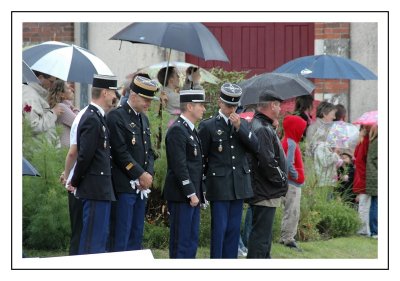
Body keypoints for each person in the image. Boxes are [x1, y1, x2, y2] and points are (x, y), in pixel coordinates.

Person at [198, 83, 258, 259]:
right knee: (220, 229)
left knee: (233, 229)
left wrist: (240, 128)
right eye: (228, 105)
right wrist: (202, 185)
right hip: (219, 185)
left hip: (238, 184)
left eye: (234, 106)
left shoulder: (242, 124)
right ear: (220, 103)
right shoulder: (208, 126)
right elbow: (201, 158)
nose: (231, 109)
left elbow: (255, 146)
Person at [106, 76, 158, 251]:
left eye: (150, 100)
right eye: (146, 99)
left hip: (141, 186)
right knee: (121, 233)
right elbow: (120, 153)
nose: (148, 104)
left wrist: (148, 174)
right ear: (134, 96)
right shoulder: (116, 117)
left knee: (136, 233)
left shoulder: (143, 119)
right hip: (124, 185)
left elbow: (149, 152)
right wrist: (139, 174)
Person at [68, 74, 118, 254]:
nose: (115, 96)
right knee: (92, 243)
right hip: (94, 188)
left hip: (101, 189)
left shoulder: (99, 117)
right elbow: (84, 156)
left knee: (99, 240)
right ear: (105, 92)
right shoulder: (91, 117)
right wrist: (74, 181)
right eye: (113, 92)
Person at [163, 89, 207, 258]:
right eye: (200, 106)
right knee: (181, 242)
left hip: (192, 195)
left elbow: (196, 165)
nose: (203, 109)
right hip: (182, 196)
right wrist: (191, 192)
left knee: (191, 240)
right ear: (189, 106)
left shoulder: (191, 130)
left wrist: (200, 191)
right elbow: (179, 166)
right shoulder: (178, 130)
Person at [246, 91, 288, 259]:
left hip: (265, 189)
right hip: (265, 190)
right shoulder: (262, 128)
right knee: (261, 238)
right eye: (279, 105)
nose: (280, 109)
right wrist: (282, 179)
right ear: (272, 105)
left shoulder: (263, 126)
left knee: (264, 237)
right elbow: (267, 161)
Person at [60, 105, 88, 255]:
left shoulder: (83, 117)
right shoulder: (85, 119)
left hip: (75, 177)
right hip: (76, 181)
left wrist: (66, 172)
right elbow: (73, 153)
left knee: (78, 228)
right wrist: (66, 174)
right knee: (79, 229)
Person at [279, 115, 307, 251]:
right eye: (301, 129)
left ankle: (285, 236)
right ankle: (288, 238)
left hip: (293, 183)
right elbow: (288, 163)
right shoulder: (290, 143)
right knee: (293, 211)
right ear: (295, 128)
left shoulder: (289, 141)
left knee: (290, 211)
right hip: (293, 184)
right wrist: (296, 176)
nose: (302, 132)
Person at [306, 101, 342, 189]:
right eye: (332, 114)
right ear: (324, 114)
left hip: (327, 174)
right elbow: (310, 152)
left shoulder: (329, 128)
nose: (334, 117)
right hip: (318, 176)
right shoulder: (314, 128)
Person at [22, 71, 63, 140]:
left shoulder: (37, 93)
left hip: (41, 147)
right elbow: (33, 126)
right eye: (51, 81)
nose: (53, 85)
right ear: (41, 78)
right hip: (36, 148)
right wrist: (53, 113)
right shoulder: (30, 96)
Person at [47, 80, 79, 147]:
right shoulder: (61, 107)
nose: (72, 89)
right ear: (62, 94)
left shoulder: (66, 106)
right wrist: (75, 109)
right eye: (68, 88)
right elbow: (79, 123)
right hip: (65, 149)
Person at [353, 125, 371, 236]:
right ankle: (363, 229)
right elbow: (359, 161)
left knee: (364, 204)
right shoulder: (366, 141)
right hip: (364, 178)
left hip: (361, 177)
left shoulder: (361, 141)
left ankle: (363, 228)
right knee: (365, 204)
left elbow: (356, 157)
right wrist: (366, 177)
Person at [366, 125, 378, 239]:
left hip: (374, 176)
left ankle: (375, 230)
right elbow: (374, 160)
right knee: (376, 204)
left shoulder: (374, 141)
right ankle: (375, 231)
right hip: (376, 177)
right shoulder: (378, 141)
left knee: (376, 203)